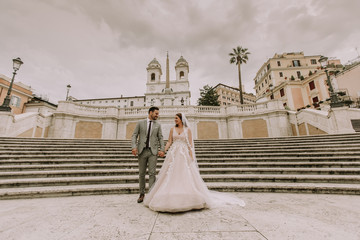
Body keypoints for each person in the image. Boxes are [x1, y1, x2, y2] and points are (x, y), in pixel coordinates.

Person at [144, 113, 245, 213]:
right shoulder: (172, 129)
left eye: (176, 118)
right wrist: (164, 150)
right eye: (174, 118)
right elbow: (169, 141)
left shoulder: (188, 130)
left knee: (185, 174)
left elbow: (190, 144)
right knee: (171, 173)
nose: (175, 120)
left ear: (181, 119)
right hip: (173, 154)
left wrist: (191, 155)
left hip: (183, 154)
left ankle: (189, 195)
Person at [131, 106, 165, 203]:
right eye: (156, 113)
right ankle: (141, 194)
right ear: (150, 112)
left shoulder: (158, 125)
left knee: (152, 173)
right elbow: (134, 135)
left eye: (158, 114)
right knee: (141, 173)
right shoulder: (140, 123)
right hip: (142, 151)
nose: (157, 115)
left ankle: (151, 194)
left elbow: (161, 138)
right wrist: (133, 147)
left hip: (152, 152)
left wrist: (162, 149)